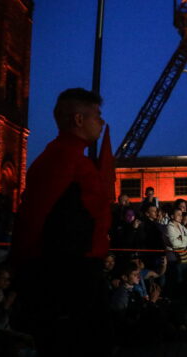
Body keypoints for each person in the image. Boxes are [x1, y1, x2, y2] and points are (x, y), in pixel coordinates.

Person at [11, 88, 113, 356]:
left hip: (79, 269)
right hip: (69, 275)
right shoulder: (62, 160)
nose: (101, 123)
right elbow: (33, 218)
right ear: (78, 119)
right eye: (96, 116)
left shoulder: (68, 157)